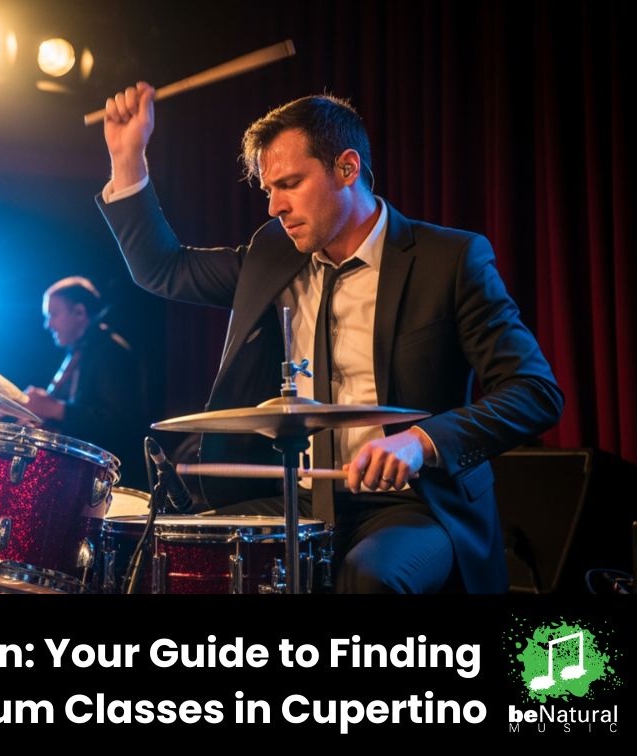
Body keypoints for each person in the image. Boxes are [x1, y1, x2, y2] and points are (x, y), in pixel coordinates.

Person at [95, 83, 563, 593]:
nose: (274, 206)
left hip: (415, 503)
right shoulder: (272, 254)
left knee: (367, 578)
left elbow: (534, 392)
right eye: (268, 189)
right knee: (171, 552)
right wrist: (128, 158)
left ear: (347, 168)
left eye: (290, 184)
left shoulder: (449, 260)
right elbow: (164, 269)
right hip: (301, 499)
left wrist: (422, 441)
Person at [23, 277, 148, 489]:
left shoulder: (109, 351)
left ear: (80, 313)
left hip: (110, 484)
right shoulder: (80, 350)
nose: (48, 324)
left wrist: (54, 408)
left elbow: (118, 423)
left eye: (53, 315)